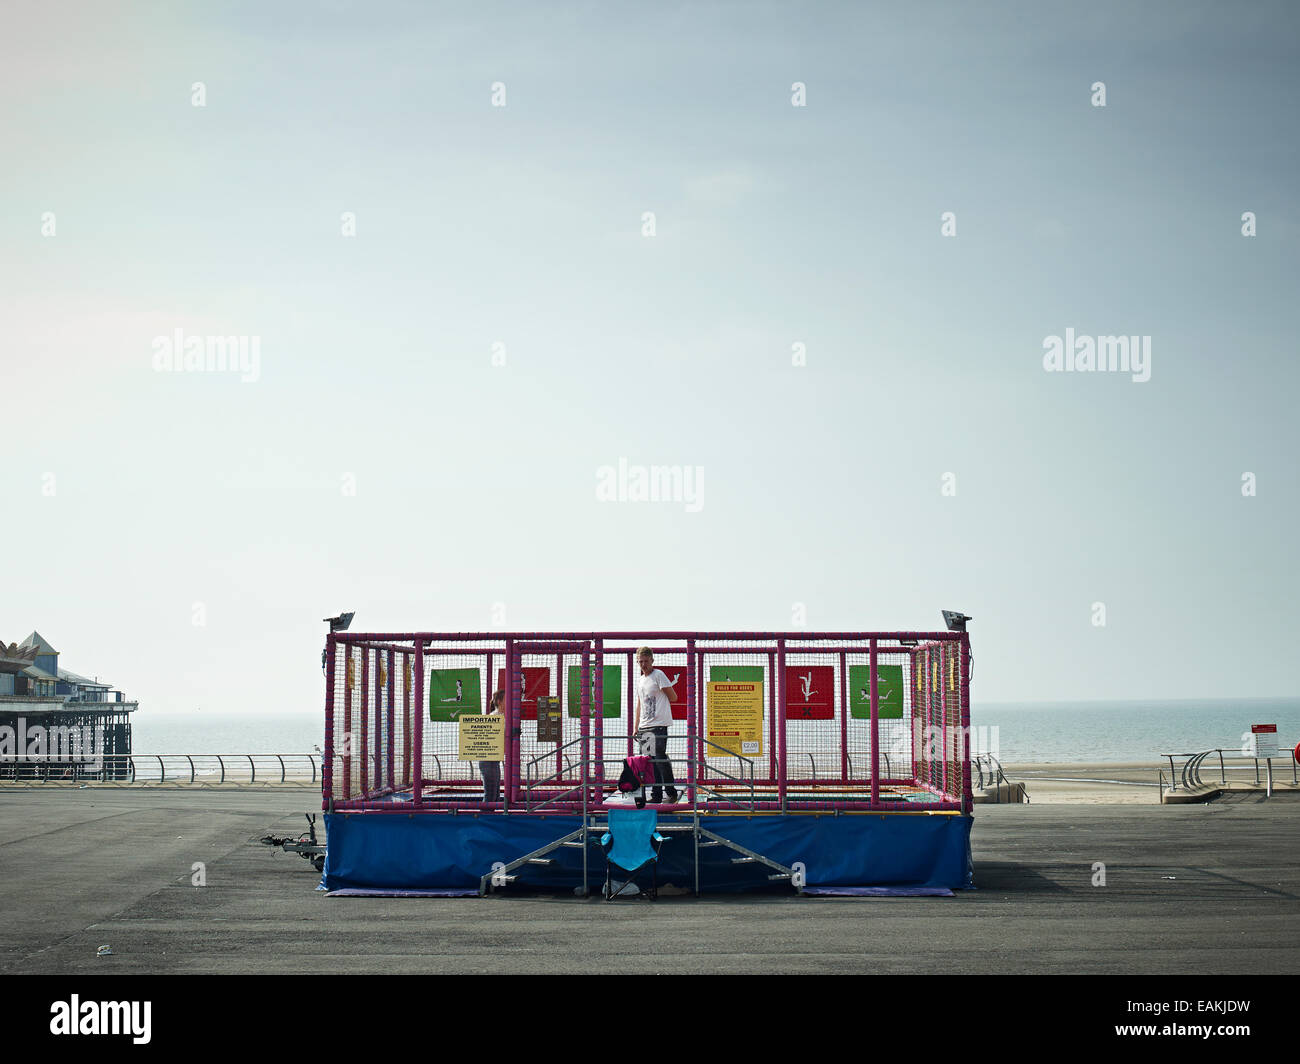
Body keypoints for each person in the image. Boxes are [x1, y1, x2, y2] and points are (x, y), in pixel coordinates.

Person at [633, 647, 680, 804]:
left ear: (652, 660)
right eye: (640, 661)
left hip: (659, 724)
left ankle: (671, 792)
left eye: (646, 661)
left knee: (659, 759)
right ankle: (656, 794)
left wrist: (659, 703)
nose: (643, 664)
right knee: (648, 761)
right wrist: (636, 727)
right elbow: (639, 704)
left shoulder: (658, 675)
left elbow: (673, 696)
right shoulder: (640, 679)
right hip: (644, 726)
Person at [480, 689, 504, 805]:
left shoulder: (503, 716)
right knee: (490, 794)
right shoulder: (494, 717)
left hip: (495, 760)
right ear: (499, 702)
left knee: (495, 794)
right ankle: (484, 819)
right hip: (487, 759)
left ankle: (491, 817)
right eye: (506, 700)